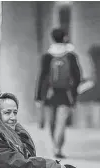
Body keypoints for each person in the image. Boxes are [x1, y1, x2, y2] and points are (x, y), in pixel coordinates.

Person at [35, 28, 81, 158]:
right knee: (61, 123)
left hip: (49, 94)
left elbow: (42, 76)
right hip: (66, 94)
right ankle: (57, 148)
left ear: (52, 38)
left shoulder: (47, 56)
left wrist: (38, 96)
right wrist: (74, 93)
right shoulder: (71, 56)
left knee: (52, 123)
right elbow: (77, 76)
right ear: (65, 38)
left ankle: (55, 145)